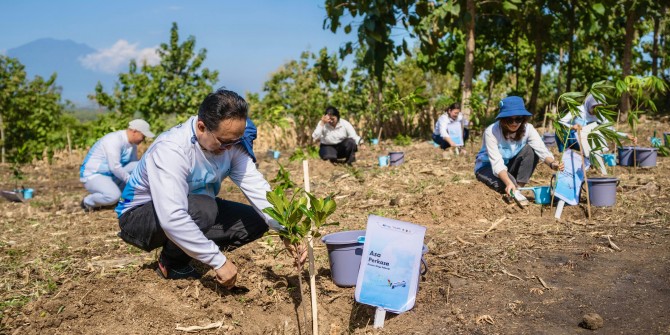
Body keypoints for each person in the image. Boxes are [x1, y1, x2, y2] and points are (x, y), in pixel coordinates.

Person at [115, 89, 299, 287]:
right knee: (204, 208)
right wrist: (218, 261)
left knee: (256, 221)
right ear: (201, 127)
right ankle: (171, 263)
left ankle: (189, 251)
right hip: (140, 216)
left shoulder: (232, 144)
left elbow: (258, 188)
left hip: (194, 205)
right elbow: (172, 216)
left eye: (236, 140)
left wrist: (286, 229)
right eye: (224, 141)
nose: (230, 147)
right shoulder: (172, 149)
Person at [474, 96, 564, 206]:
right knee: (506, 184)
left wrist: (553, 163)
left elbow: (541, 150)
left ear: (523, 118)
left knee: (530, 150)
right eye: (509, 119)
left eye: (518, 119)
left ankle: (517, 190)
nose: (514, 123)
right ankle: (513, 188)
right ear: (502, 120)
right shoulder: (492, 132)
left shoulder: (528, 129)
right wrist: (508, 182)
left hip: (508, 165)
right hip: (487, 167)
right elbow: (497, 163)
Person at [79, 119, 154, 211]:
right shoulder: (114, 140)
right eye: (143, 136)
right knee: (113, 196)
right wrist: (132, 182)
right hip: (94, 175)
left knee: (139, 165)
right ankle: (88, 202)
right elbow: (114, 167)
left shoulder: (132, 144)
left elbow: (134, 165)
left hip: (112, 174)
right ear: (134, 131)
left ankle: (123, 199)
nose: (144, 139)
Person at [556, 93, 637, 152]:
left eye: (600, 108)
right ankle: (564, 152)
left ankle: (593, 160)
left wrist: (626, 136)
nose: (597, 110)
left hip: (589, 143)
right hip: (573, 139)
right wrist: (572, 127)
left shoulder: (601, 116)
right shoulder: (578, 110)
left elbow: (611, 132)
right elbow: (560, 123)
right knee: (560, 131)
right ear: (590, 105)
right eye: (595, 107)